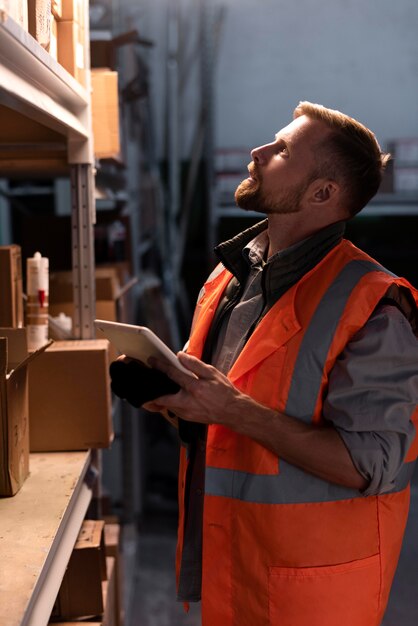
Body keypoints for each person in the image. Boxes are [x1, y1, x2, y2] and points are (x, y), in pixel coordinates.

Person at [114, 102, 418, 626]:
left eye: (281, 150)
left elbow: (368, 464)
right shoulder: (233, 276)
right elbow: (224, 410)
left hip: (315, 595)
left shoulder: (374, 304)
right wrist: (171, 395)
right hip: (236, 570)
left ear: (323, 193)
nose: (257, 152)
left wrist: (231, 409)